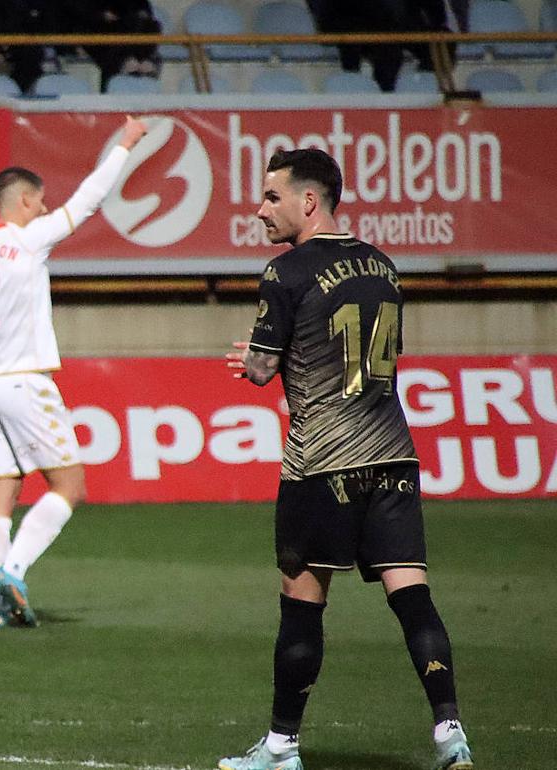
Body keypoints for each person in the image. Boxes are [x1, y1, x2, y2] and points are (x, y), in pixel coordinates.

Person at [219, 148, 472, 770]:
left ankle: (281, 747)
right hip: (394, 455)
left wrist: (249, 365)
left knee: (302, 602)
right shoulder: (384, 266)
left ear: (309, 200)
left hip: (322, 461)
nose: (261, 209)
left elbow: (263, 367)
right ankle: (451, 736)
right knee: (412, 596)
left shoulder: (286, 272)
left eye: (272, 197)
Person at [0, 116, 147, 629]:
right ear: (26, 203)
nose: (47, 208)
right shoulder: (29, 240)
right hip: (25, 381)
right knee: (69, 486)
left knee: (1, 495)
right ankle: (10, 572)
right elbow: (89, 200)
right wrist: (123, 144)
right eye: (41, 202)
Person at [73, 0, 162, 90]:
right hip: (101, 35)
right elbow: (81, 14)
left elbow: (145, 14)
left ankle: (144, 61)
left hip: (129, 37)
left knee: (149, 25)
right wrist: (102, 15)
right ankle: (123, 63)